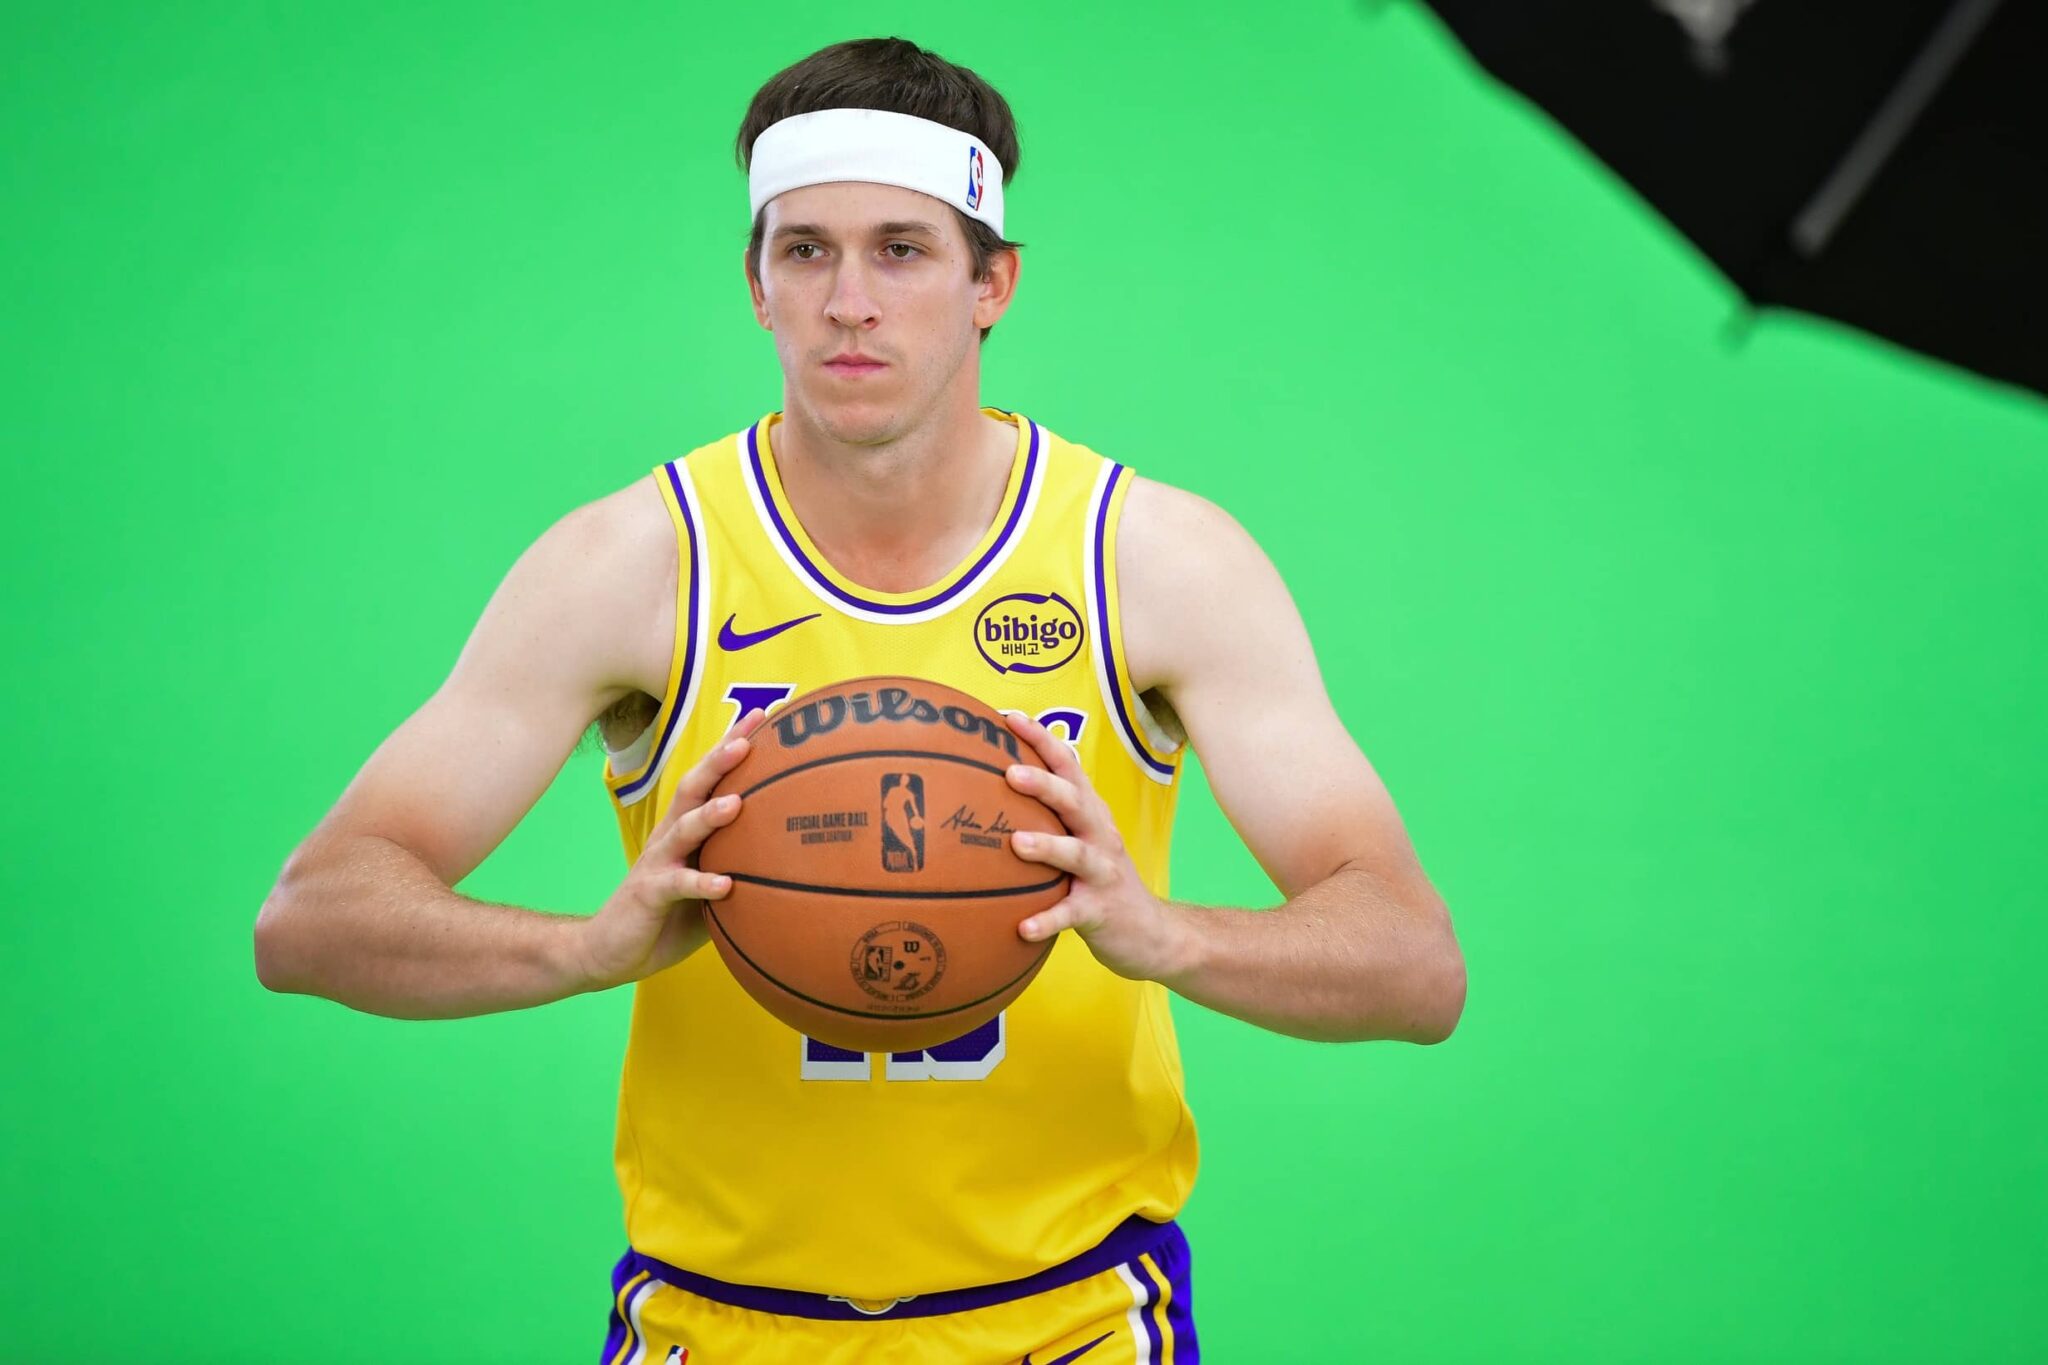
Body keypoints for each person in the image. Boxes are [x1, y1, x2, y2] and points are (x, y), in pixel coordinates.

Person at [253, 36, 1466, 1364]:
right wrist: (582, 949)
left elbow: (1411, 961)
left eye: (901, 250)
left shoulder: (1152, 561)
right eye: (806, 251)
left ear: (993, 281)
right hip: (714, 1325)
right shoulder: (635, 563)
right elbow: (312, 916)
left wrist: (1162, 933)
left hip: (1066, 1323)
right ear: (756, 284)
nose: (849, 302)